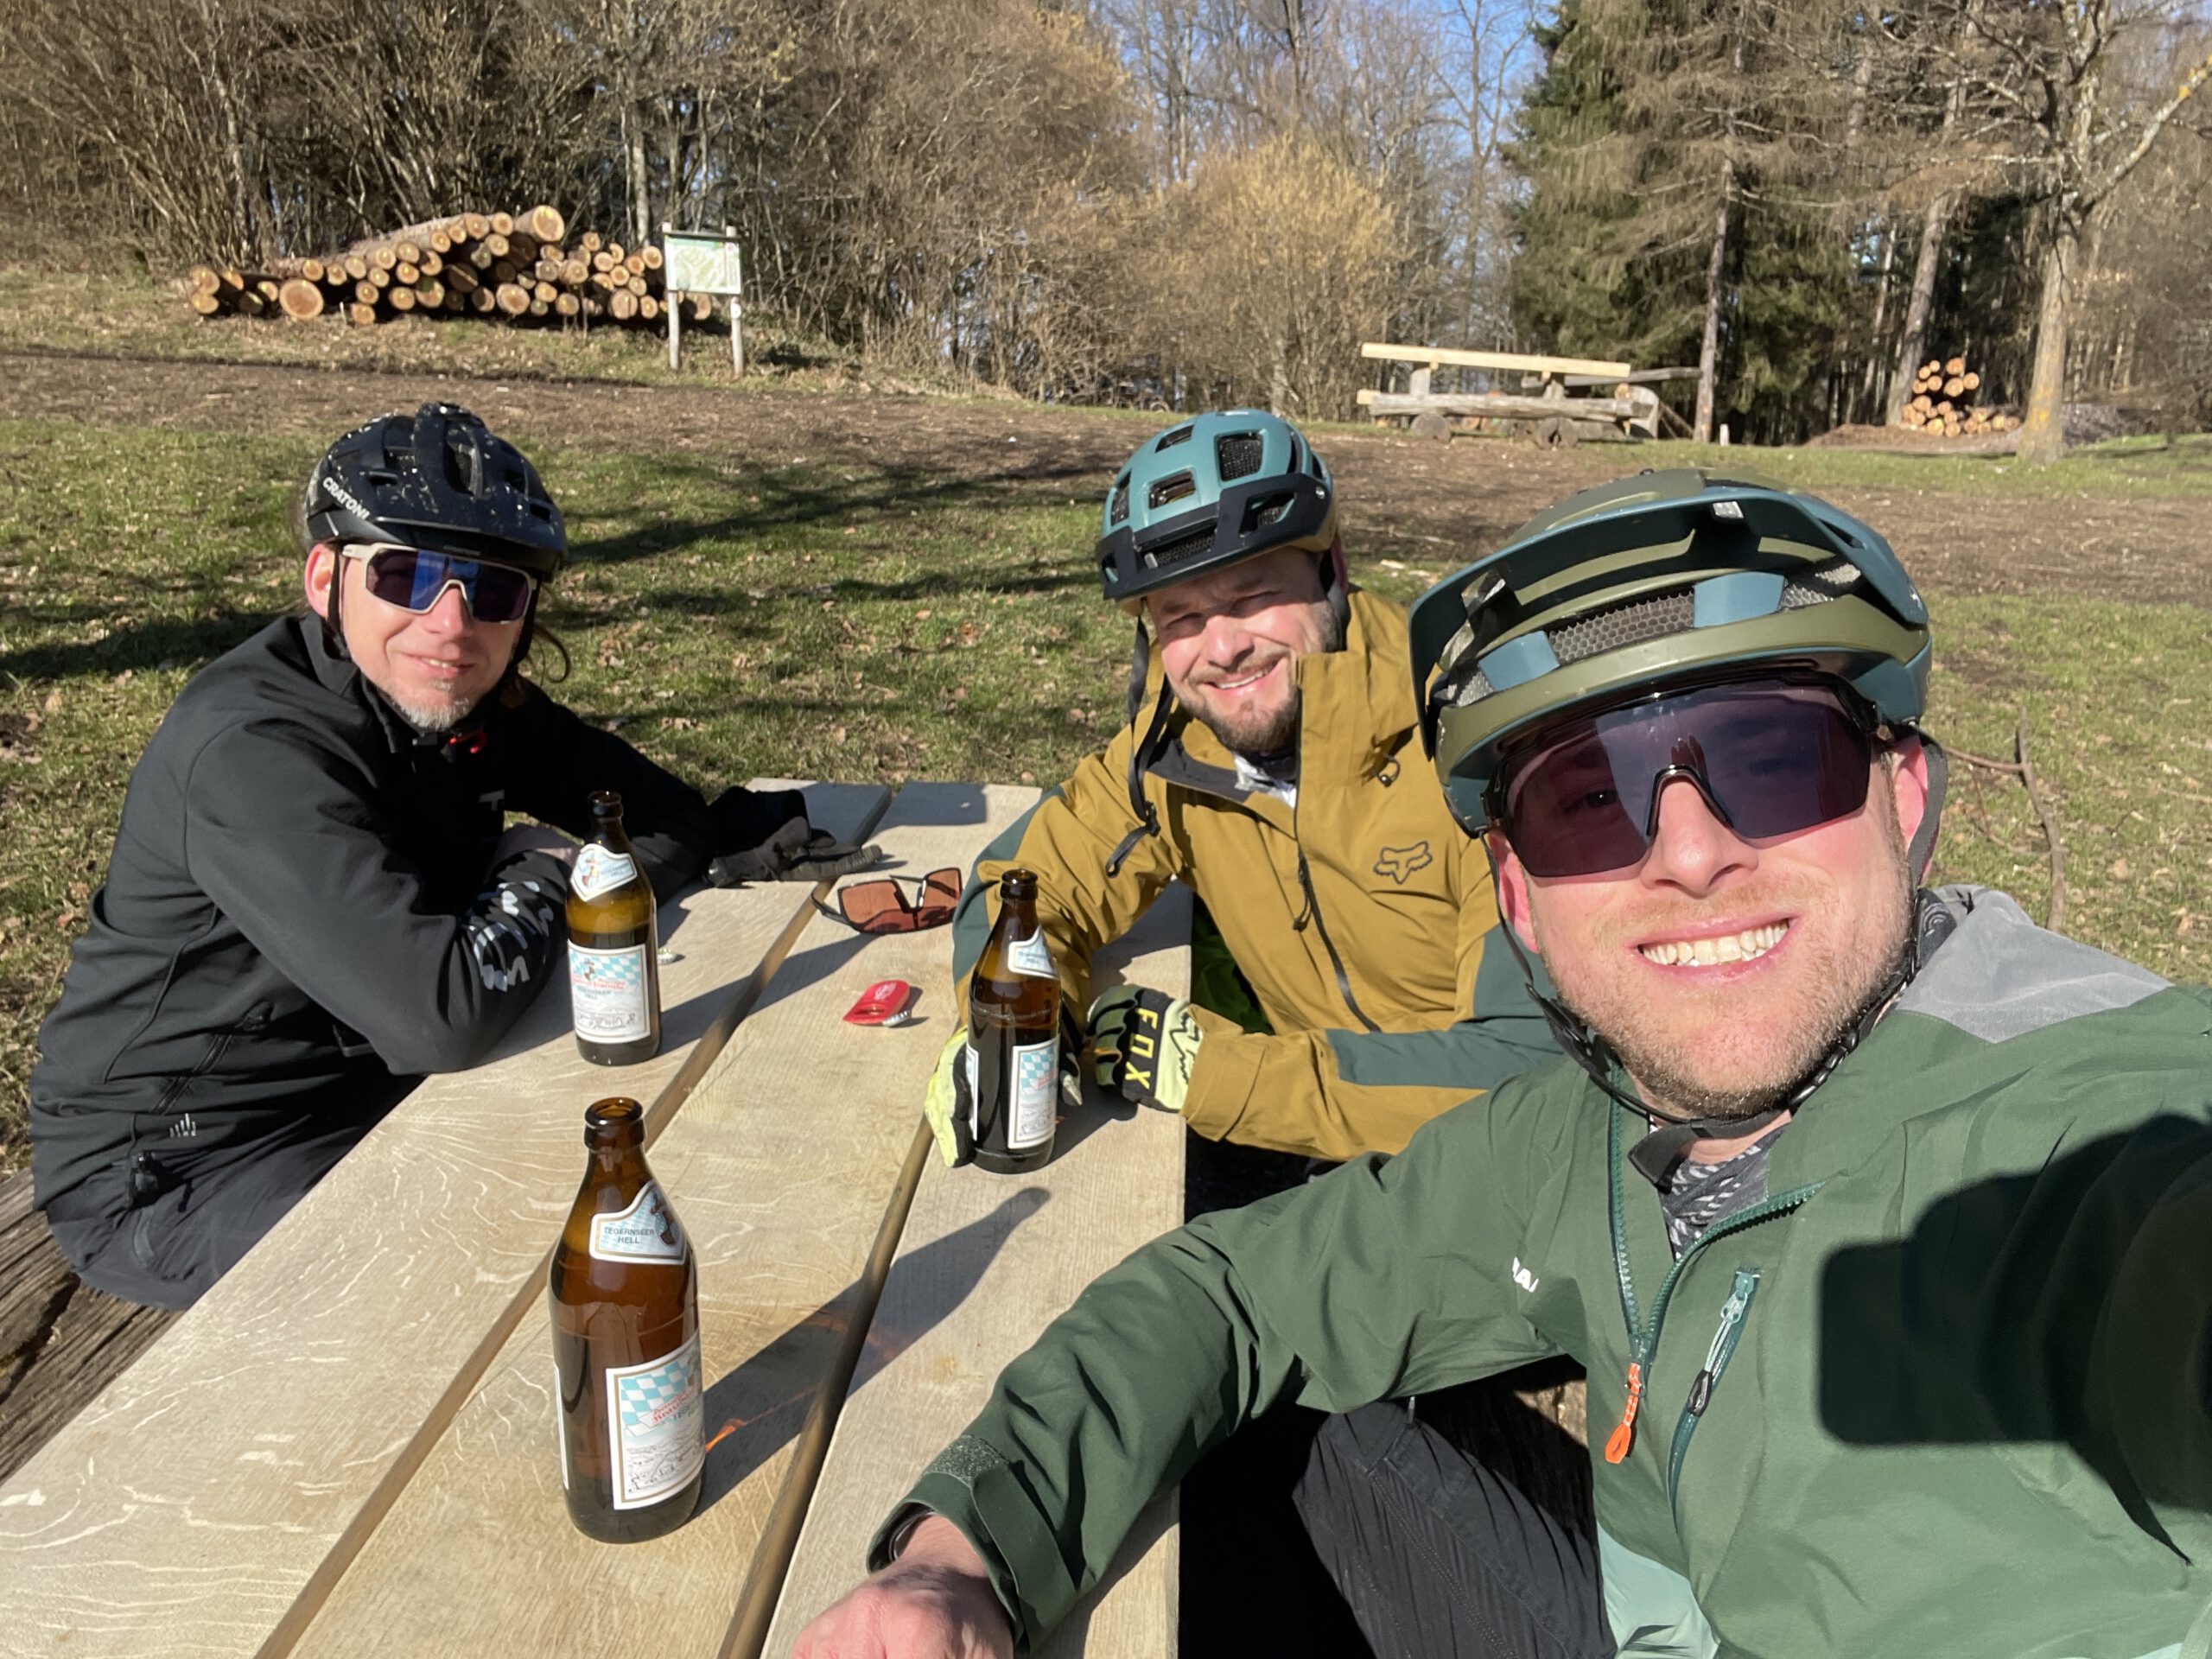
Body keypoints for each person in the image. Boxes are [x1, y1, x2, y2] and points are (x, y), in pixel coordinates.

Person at [795, 468, 2212, 1659]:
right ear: (1523, 887)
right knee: (1246, 1401)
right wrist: (951, 1557)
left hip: (1458, 1101)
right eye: (1589, 803)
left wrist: (1220, 1076)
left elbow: (1498, 1061)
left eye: (1773, 761)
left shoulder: (2088, 1142)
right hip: (1518, 1285)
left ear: (1905, 794)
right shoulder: (1590, 1124)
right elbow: (1046, 892)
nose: (1694, 851)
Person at [30, 404, 875, 1311]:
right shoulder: (252, 751)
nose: (450, 622)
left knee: (675, 1175)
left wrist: (539, 896)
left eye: (494, 591)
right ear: (327, 578)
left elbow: (670, 820)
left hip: (379, 1087)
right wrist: (545, 872)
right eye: (407, 573)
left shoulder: (466, 705)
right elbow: (440, 1015)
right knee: (476, 1283)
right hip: (183, 1161)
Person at [926, 409, 1555, 1170]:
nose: (1223, 649)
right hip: (1317, 1160)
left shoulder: (1478, 748)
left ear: (1334, 571)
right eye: (1182, 617)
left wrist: (1222, 1075)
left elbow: (1525, 1068)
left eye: (1252, 596)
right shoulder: (1174, 748)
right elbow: (1023, 887)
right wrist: (1014, 1023)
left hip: (1500, 1175)